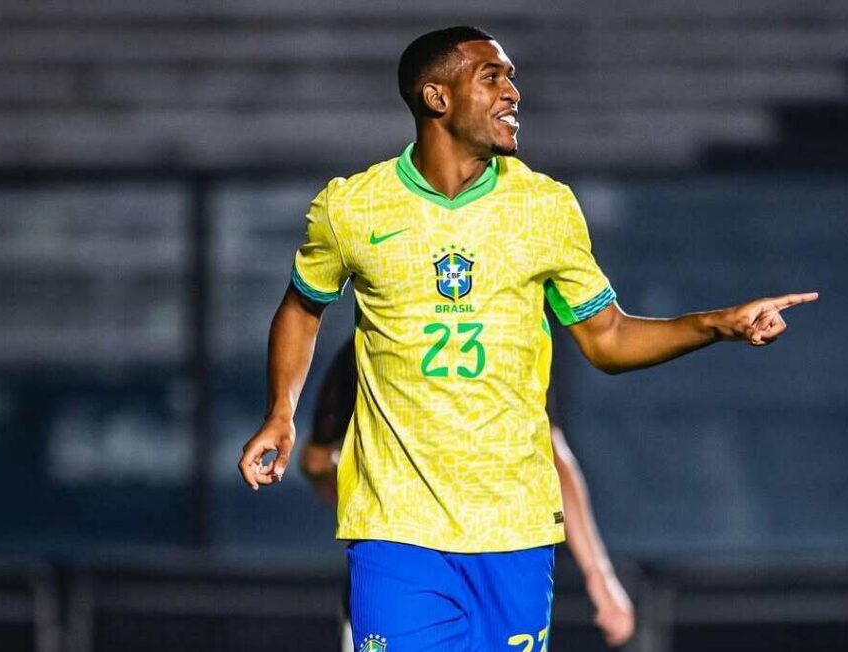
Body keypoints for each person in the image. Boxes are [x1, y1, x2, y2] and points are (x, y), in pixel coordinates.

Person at [239, 25, 817, 652]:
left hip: (515, 529)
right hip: (395, 529)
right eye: (492, 77)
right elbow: (302, 307)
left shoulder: (545, 208)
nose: (513, 92)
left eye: (511, 78)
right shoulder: (351, 207)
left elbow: (608, 338)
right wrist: (280, 412)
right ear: (436, 97)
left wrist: (716, 325)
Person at [301, 340, 635, 649]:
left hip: (456, 576)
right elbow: (316, 460)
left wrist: (599, 575)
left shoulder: (511, 337)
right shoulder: (375, 341)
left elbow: (551, 453)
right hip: (425, 577)